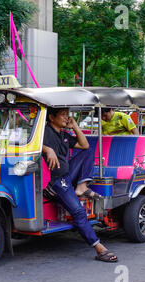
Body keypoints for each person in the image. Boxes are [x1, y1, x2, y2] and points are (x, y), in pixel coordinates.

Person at [43, 107, 118, 263]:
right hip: (56, 180)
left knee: (88, 151)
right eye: (63, 115)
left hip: (67, 174)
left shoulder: (63, 134)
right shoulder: (44, 131)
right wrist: (46, 148)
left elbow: (83, 145)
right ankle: (99, 248)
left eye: (67, 114)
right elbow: (29, 142)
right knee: (78, 212)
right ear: (51, 117)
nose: (66, 118)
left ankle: (81, 186)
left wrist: (75, 126)